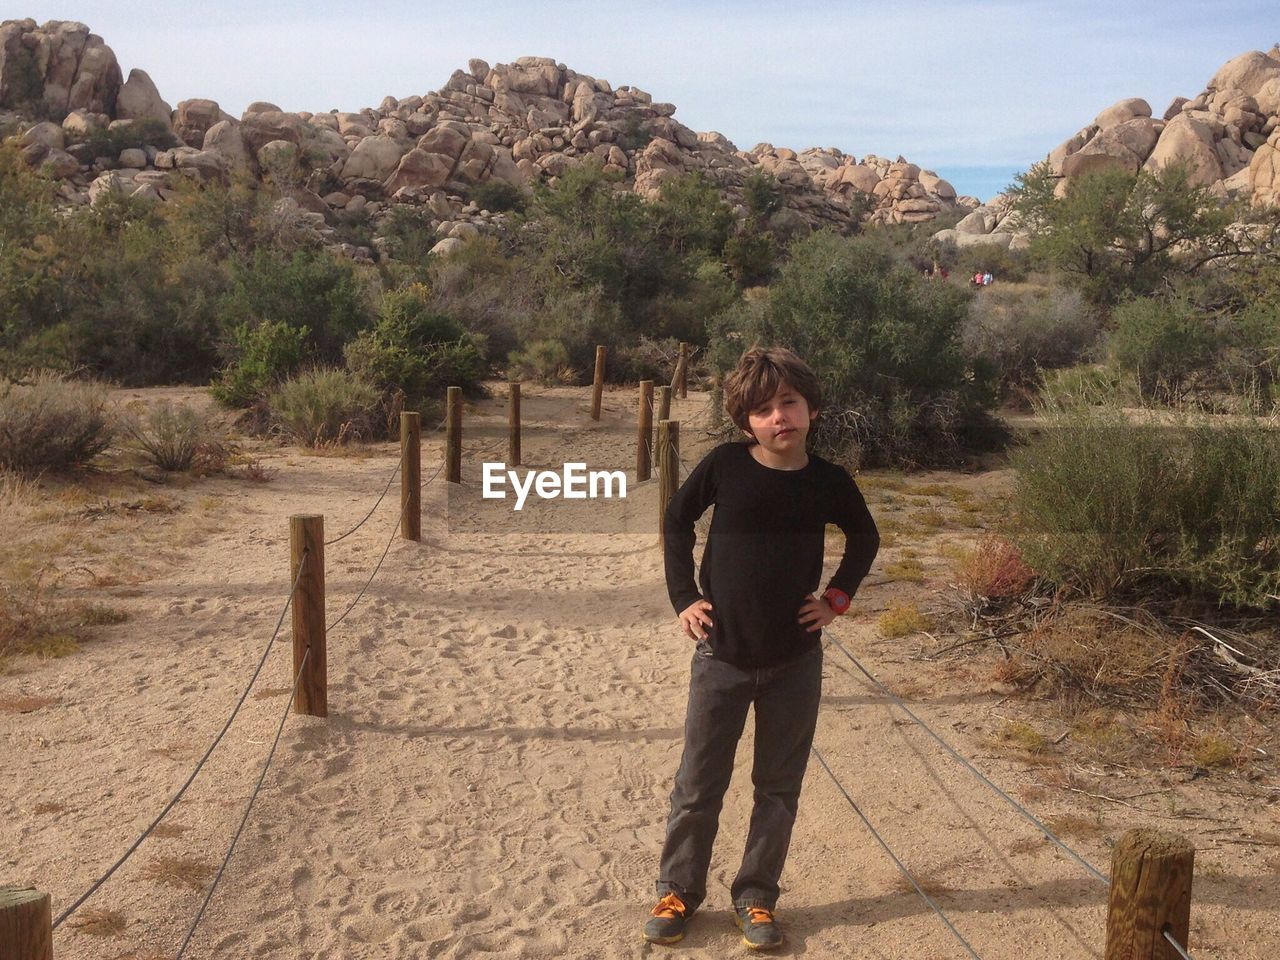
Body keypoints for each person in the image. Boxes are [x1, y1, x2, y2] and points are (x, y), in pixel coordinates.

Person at [643, 346, 880, 951]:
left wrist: (837, 600)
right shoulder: (725, 465)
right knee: (698, 782)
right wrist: (683, 597)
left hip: (794, 661)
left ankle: (756, 897)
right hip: (720, 655)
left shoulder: (829, 480)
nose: (780, 417)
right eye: (764, 409)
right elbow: (676, 521)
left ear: (812, 409)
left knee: (778, 786)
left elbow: (864, 536)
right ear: (745, 421)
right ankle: (678, 891)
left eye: (789, 404)